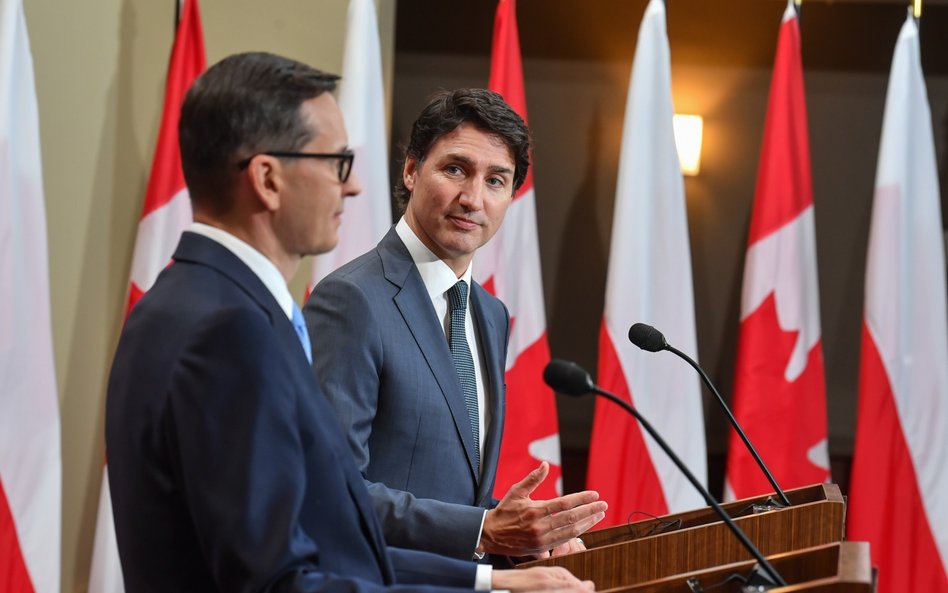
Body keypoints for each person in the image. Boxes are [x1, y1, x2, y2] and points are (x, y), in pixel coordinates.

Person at [105, 52, 593, 593]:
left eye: (497, 180)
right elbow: (289, 569)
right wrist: (485, 568)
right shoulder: (238, 327)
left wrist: (491, 576)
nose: (353, 186)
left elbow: (321, 533)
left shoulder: (182, 303)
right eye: (336, 162)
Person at [304, 89, 607, 562]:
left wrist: (525, 538)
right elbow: (330, 489)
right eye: (455, 169)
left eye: (495, 181)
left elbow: (452, 495)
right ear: (410, 170)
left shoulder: (489, 314)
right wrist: (486, 530)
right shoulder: (352, 299)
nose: (472, 199)